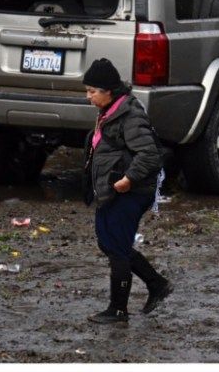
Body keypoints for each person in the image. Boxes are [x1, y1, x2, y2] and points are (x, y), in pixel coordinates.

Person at [81, 58, 173, 324]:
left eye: (92, 91)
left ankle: (118, 310)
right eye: (87, 91)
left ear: (109, 91)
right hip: (112, 190)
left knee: (117, 246)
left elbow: (150, 154)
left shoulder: (129, 115)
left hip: (131, 191)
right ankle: (157, 284)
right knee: (107, 241)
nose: (88, 97)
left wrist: (128, 180)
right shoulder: (109, 112)